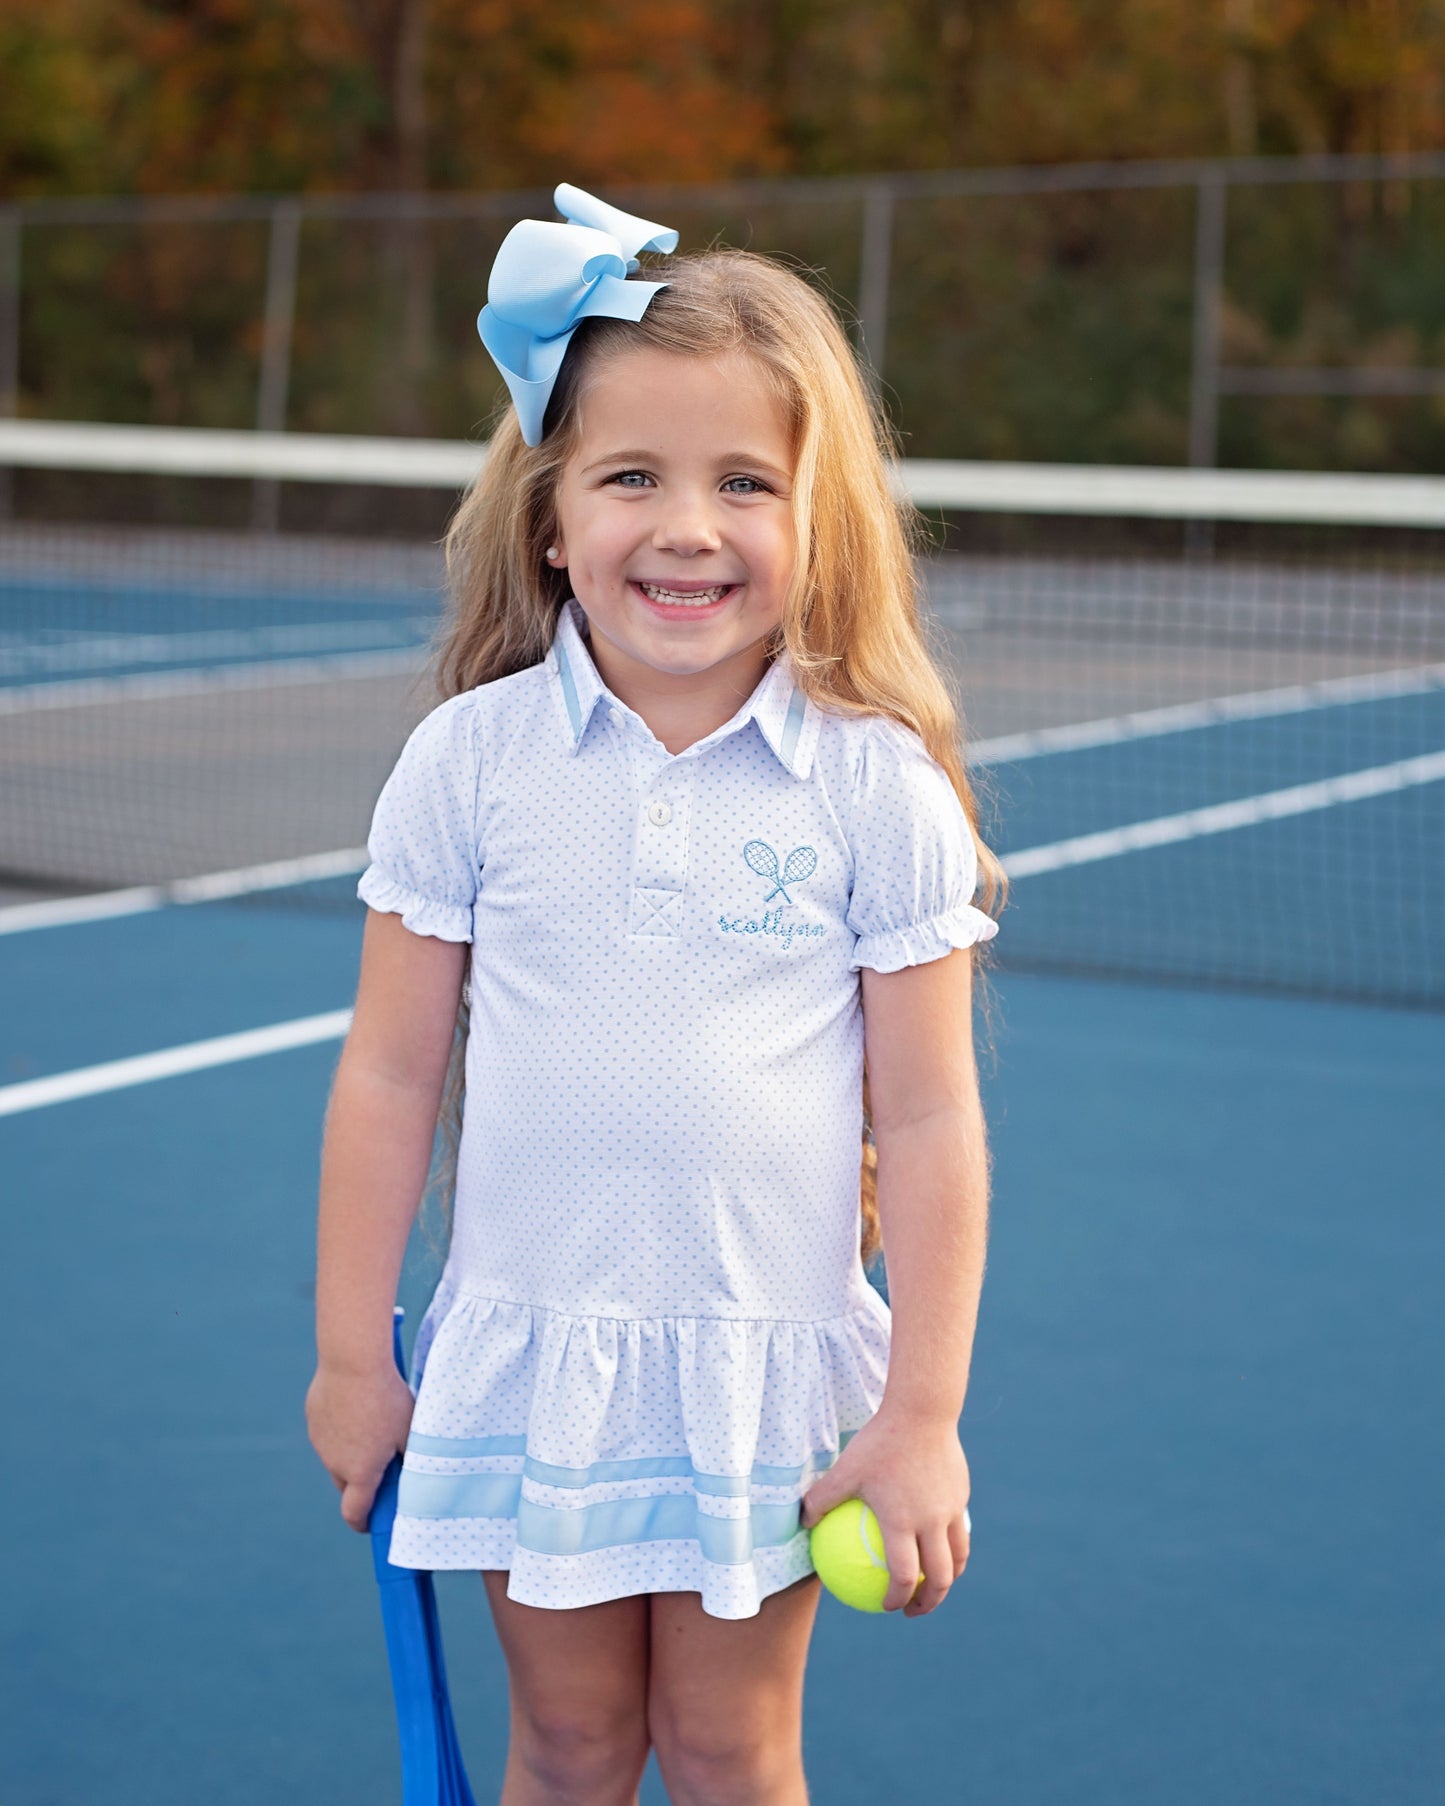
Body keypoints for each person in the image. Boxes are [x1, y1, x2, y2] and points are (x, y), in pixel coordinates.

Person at [306, 184, 1002, 1806]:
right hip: (529, 1362)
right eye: (633, 476)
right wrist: (354, 1352)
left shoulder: (870, 787)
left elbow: (930, 1112)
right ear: (552, 514)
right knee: (564, 1746)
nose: (687, 525)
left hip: (758, 1374)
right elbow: (389, 1074)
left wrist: (921, 1417)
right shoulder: (468, 768)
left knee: (727, 1747)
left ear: (812, 523)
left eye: (744, 483)